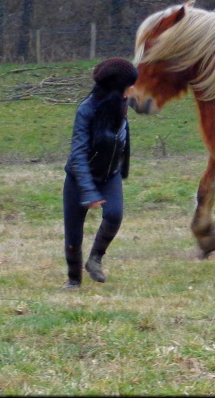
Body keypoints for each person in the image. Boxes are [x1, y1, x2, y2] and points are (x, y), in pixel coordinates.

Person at [62, 58, 138, 290]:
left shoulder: (121, 104)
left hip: (109, 175)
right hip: (79, 179)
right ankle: (74, 280)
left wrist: (121, 168)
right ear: (117, 88)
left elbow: (121, 138)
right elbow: (78, 155)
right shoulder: (87, 110)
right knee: (73, 239)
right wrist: (88, 190)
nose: (133, 89)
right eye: (129, 85)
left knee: (114, 215)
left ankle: (95, 259)